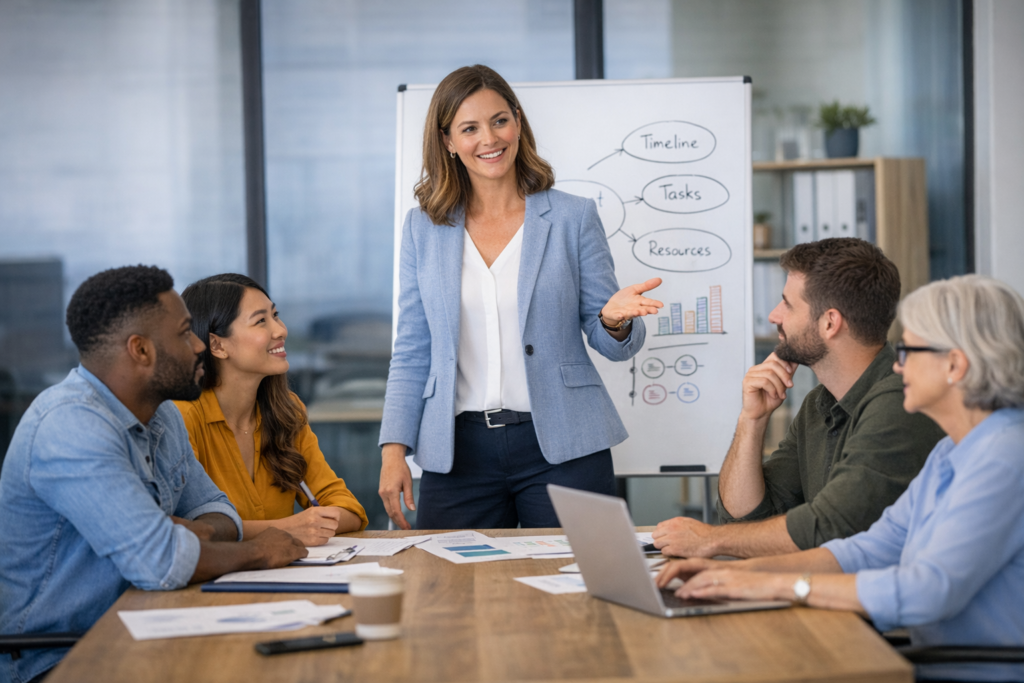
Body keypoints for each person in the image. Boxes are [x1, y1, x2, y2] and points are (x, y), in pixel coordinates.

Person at [656, 274, 1024, 683]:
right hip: (926, 660)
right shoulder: (952, 451)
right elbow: (869, 549)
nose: (898, 364)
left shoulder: (1006, 456)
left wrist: (782, 587)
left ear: (955, 364)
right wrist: (740, 577)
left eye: (909, 350)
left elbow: (926, 592)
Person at [378, 64, 662, 530]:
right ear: (448, 141)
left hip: (566, 446)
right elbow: (412, 351)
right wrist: (394, 451)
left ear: (517, 121)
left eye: (499, 120)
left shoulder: (573, 217)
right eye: (469, 128)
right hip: (457, 452)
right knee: (450, 595)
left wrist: (612, 321)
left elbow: (613, 341)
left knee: (577, 592)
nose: (489, 138)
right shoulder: (422, 229)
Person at [0, 266, 306, 683]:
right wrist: (259, 550)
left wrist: (192, 536)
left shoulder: (161, 414)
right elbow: (162, 562)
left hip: (147, 626)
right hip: (60, 659)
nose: (199, 344)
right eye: (184, 333)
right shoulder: (70, 427)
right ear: (141, 351)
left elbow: (218, 510)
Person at [653, 238, 945, 558]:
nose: (774, 316)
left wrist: (710, 540)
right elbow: (744, 517)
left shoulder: (900, 404)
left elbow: (828, 527)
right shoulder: (818, 405)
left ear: (829, 322)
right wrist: (752, 419)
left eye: (787, 304)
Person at [176, 274, 367, 546]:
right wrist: (288, 529)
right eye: (261, 321)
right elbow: (185, 529)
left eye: (275, 315)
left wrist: (314, 523)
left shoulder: (286, 410)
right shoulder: (181, 417)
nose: (281, 330)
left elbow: (349, 508)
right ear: (217, 345)